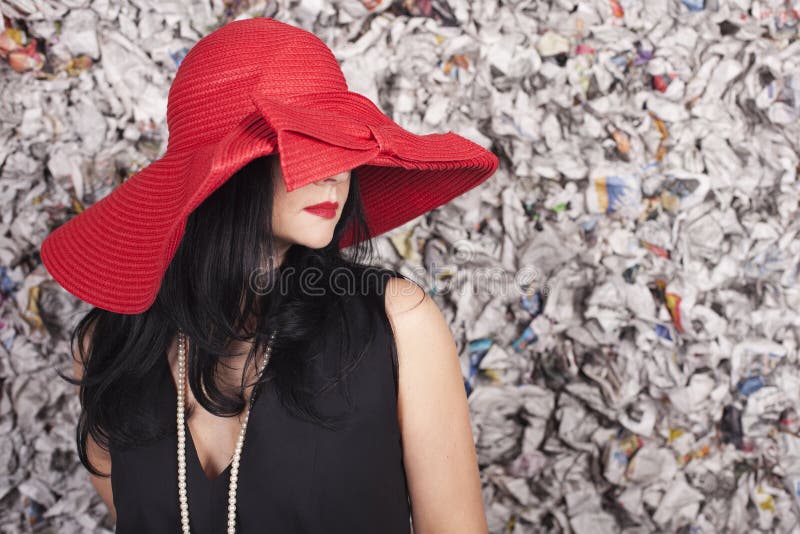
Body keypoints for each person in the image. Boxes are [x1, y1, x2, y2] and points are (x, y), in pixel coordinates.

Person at [41, 16, 499, 534]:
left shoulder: (398, 324)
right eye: (309, 148)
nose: (336, 173)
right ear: (227, 170)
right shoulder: (107, 346)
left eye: (345, 149)